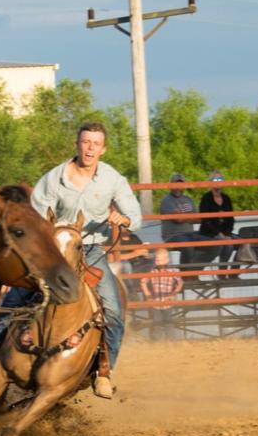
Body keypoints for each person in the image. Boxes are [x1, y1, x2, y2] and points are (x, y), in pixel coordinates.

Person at [23, 121, 141, 399]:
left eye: (95, 144)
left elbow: (135, 217)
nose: (89, 148)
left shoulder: (113, 180)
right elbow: (35, 213)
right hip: (54, 249)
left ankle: (104, 371)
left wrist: (122, 218)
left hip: (90, 250)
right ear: (77, 144)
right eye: (85, 142)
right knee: (16, 296)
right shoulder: (54, 178)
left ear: (103, 148)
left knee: (113, 310)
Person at [158, 173, 204, 266]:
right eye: (176, 184)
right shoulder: (166, 200)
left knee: (210, 242)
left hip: (190, 234)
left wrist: (184, 216)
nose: (178, 187)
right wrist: (190, 216)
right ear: (170, 185)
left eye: (181, 184)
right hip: (172, 236)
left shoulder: (188, 199)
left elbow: (199, 219)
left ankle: (195, 270)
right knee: (188, 245)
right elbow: (178, 219)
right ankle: (185, 274)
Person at [139, 248, 183, 340]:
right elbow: (143, 282)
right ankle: (157, 342)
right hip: (155, 303)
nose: (158, 262)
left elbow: (180, 282)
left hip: (168, 302)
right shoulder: (152, 271)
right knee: (157, 323)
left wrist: (173, 294)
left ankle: (171, 341)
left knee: (168, 323)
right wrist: (148, 295)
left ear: (167, 260)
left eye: (160, 259)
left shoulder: (172, 272)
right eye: (157, 259)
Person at [198, 170, 238, 267]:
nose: (218, 181)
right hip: (210, 232)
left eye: (220, 179)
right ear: (211, 182)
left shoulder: (226, 198)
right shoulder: (206, 198)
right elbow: (205, 221)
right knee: (224, 245)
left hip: (225, 233)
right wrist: (218, 234)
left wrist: (227, 234)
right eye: (215, 179)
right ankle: (219, 271)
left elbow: (231, 219)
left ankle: (230, 273)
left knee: (241, 243)